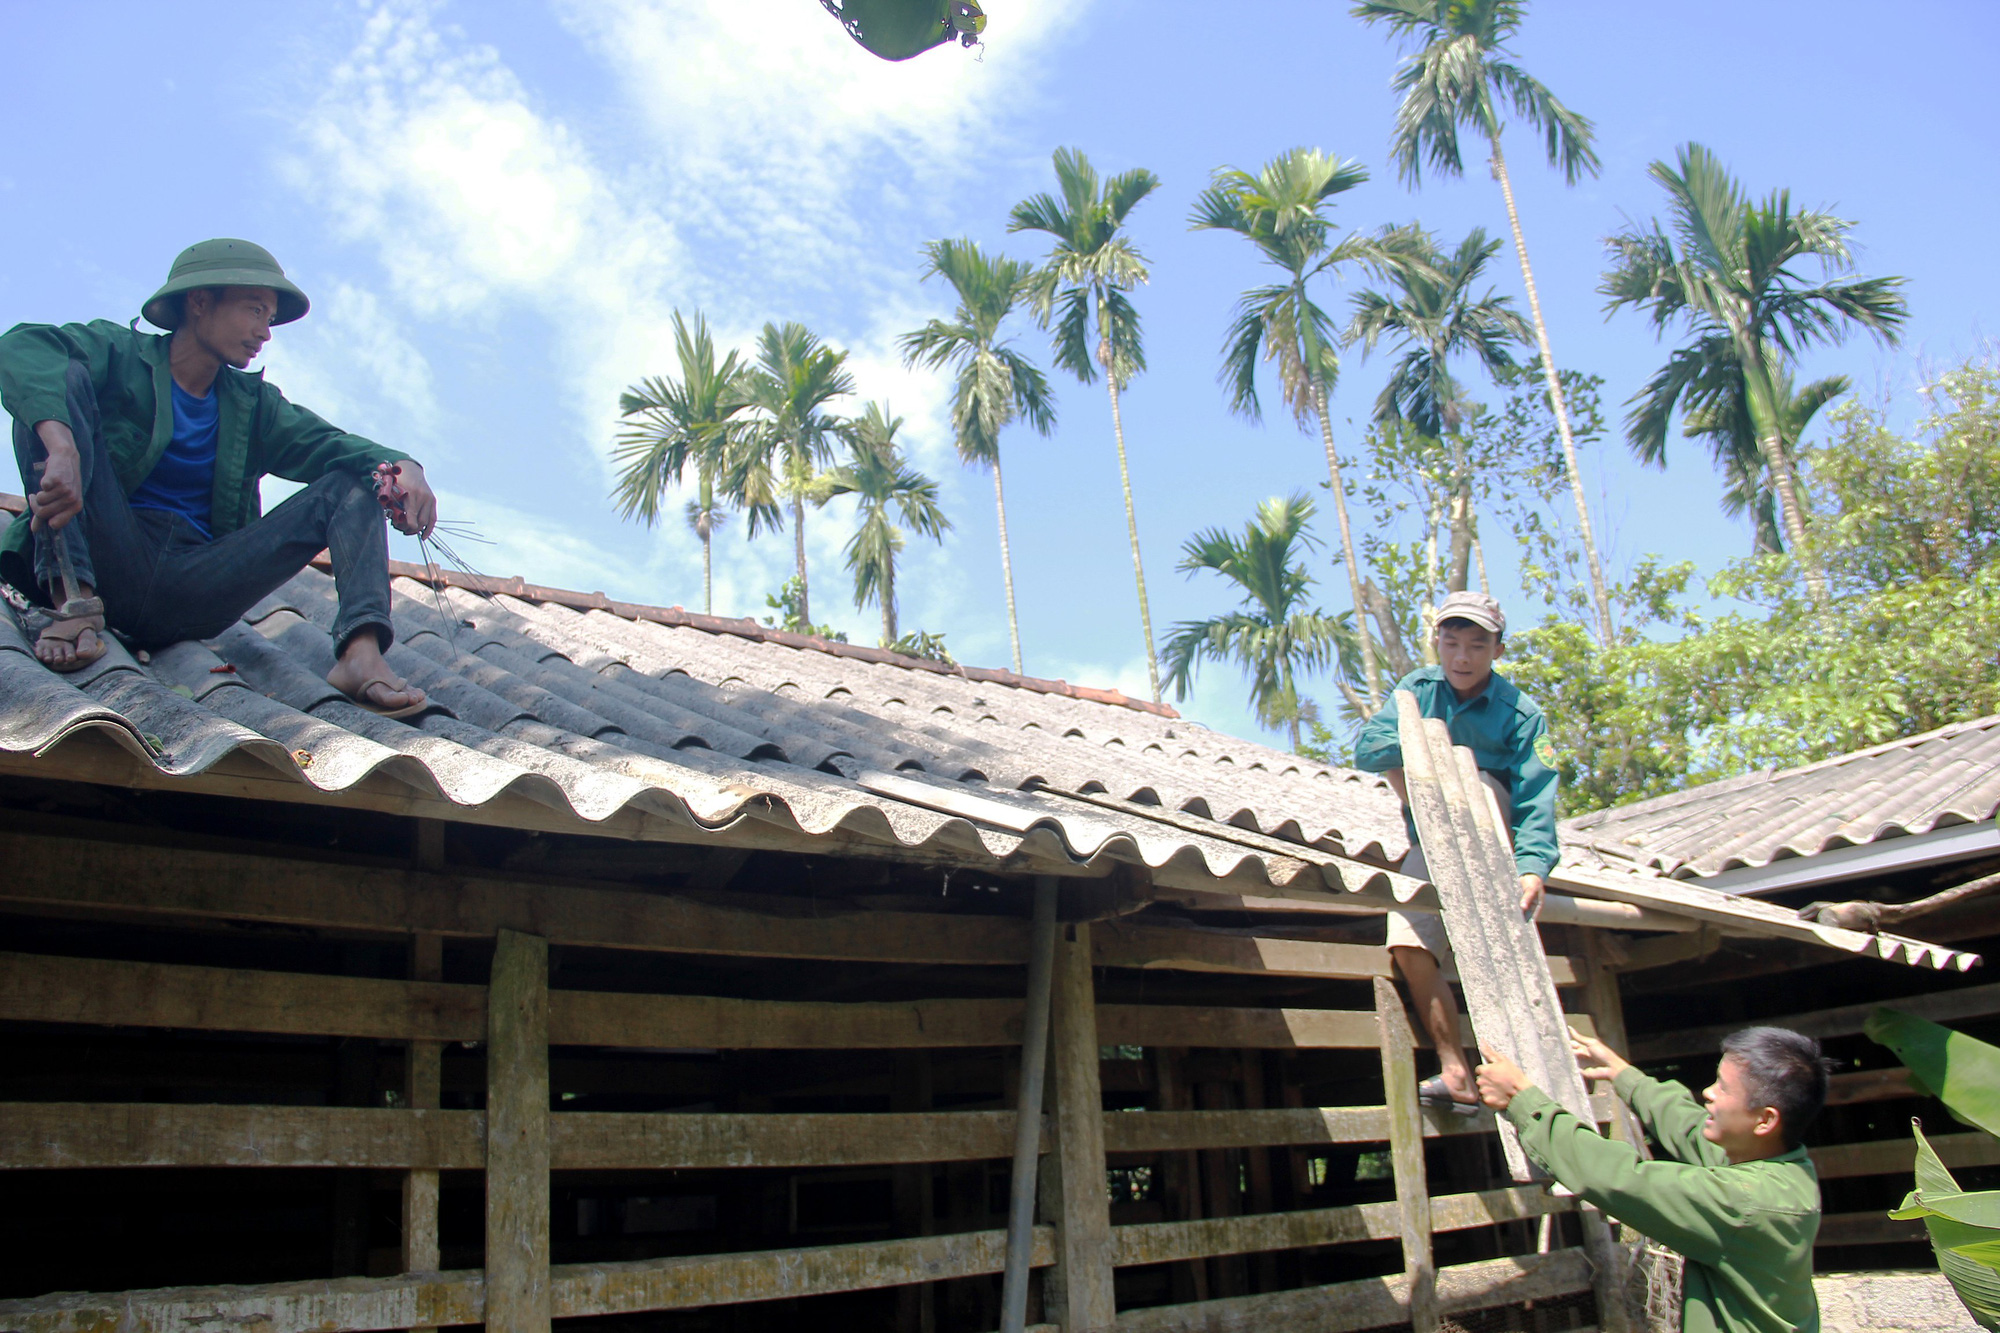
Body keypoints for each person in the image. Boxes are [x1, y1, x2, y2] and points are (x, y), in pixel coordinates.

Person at [1, 238, 431, 715]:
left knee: (353, 482)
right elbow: (21, 347)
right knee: (53, 385)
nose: (264, 332)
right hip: (108, 556)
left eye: (269, 318)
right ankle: (71, 600)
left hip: (197, 582)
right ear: (200, 302)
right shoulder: (120, 354)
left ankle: (360, 655)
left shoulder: (255, 407)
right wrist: (62, 445)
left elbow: (338, 446)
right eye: (254, 310)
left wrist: (405, 466)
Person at [1476, 1026, 1829, 1333]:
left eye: (1723, 1088)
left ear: (1765, 1120)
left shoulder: (1744, 1202)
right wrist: (1624, 1076)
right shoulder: (1784, 1169)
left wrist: (1522, 1100)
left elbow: (1622, 1178)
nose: (1708, 1092)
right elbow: (1691, 1128)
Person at [1353, 589, 1558, 1113]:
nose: (1462, 658)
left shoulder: (1523, 715)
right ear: (1437, 644)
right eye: (1451, 644)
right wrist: (1427, 742)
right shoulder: (1415, 690)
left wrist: (1532, 869)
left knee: (1478, 780)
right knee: (1407, 942)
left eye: (1475, 645)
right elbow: (1368, 749)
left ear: (1497, 651)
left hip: (1493, 839)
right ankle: (1456, 1071)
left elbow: (1537, 799)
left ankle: (1526, 1087)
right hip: (1433, 837)